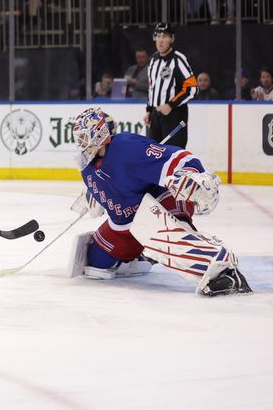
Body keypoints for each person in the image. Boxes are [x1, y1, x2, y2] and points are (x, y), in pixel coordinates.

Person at [67, 107, 251, 296]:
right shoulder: (86, 166)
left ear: (99, 133)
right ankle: (137, 257)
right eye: (78, 137)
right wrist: (92, 195)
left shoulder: (126, 147)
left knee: (167, 237)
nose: (80, 142)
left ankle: (225, 271)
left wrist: (193, 174)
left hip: (160, 202)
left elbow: (176, 158)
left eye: (84, 136)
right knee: (95, 262)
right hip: (126, 224)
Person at [144, 23, 195, 148]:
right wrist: (149, 110)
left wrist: (171, 105)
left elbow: (192, 88)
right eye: (158, 36)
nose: (161, 40)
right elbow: (152, 87)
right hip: (156, 116)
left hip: (175, 115)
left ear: (172, 39)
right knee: (153, 154)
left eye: (165, 36)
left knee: (173, 155)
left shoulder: (178, 59)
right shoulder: (153, 59)